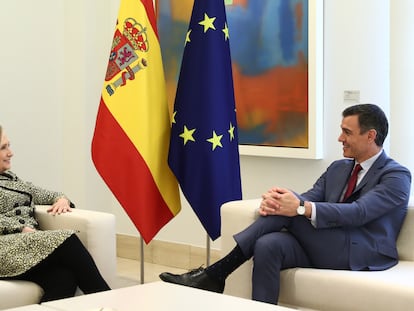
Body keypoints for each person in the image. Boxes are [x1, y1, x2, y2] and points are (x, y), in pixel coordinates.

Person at [159, 103, 412, 304]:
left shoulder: (396, 176)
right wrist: (280, 199)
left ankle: (215, 274)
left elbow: (360, 212)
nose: (339, 138)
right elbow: (311, 195)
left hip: (362, 252)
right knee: (268, 244)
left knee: (292, 208)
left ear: (370, 136)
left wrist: (298, 207)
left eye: (347, 132)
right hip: (328, 242)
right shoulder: (338, 168)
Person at [0, 125, 111, 301]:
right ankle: (109, 301)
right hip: (5, 246)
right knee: (67, 240)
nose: (10, 152)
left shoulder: (11, 178)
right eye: (3, 148)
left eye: (8, 146)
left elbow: (43, 193)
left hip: (21, 245)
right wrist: (19, 229)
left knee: (63, 277)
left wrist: (61, 199)